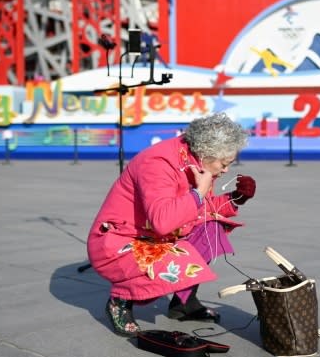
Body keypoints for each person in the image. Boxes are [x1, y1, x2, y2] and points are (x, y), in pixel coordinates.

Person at [86, 113, 257, 336]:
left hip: (156, 236)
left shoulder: (195, 161)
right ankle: (120, 301)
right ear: (206, 153)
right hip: (118, 242)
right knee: (179, 264)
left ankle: (184, 304)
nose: (225, 170)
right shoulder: (159, 163)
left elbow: (198, 210)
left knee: (211, 230)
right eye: (224, 164)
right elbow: (162, 221)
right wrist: (199, 192)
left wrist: (235, 198)